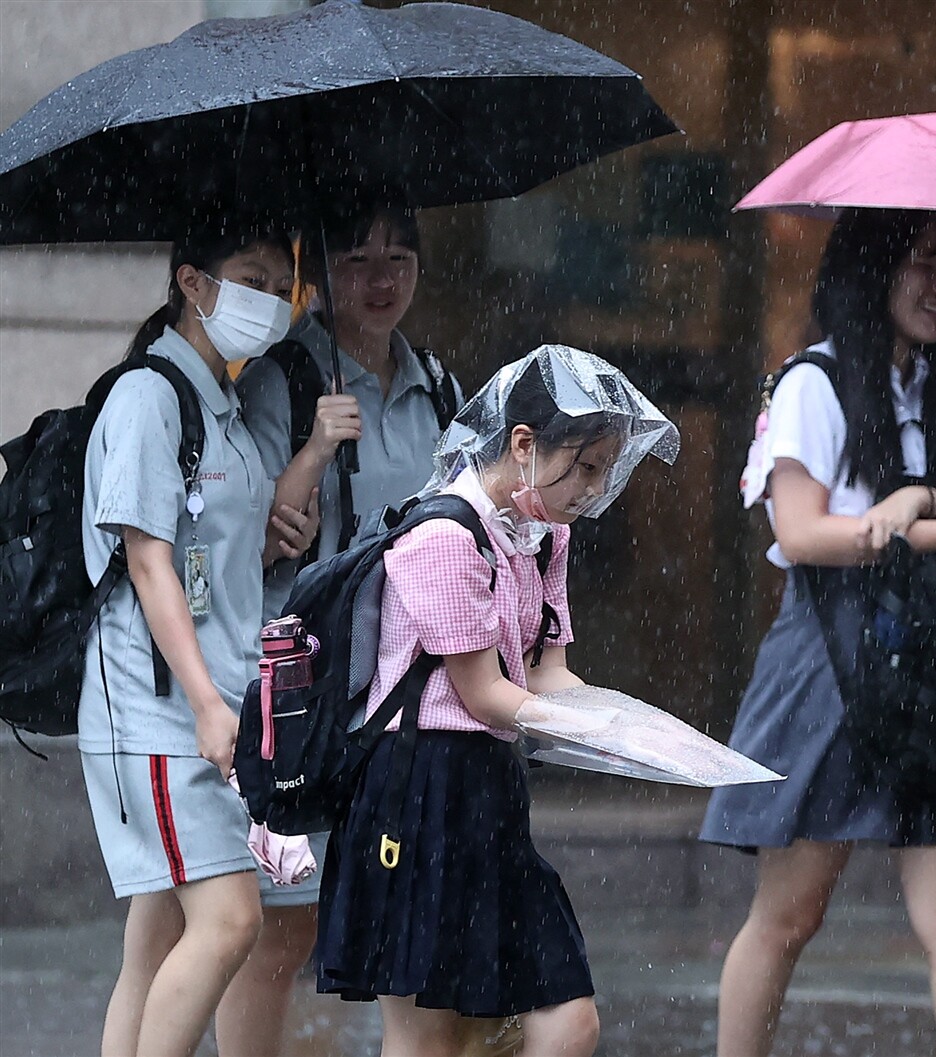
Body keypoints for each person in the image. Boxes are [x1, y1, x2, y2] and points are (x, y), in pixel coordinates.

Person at [700, 207, 936, 1057]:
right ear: (871, 269)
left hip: (926, 659)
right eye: (922, 264)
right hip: (834, 659)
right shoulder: (815, 380)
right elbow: (802, 532)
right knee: (790, 911)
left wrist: (918, 503)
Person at [315, 345, 677, 1057]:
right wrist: (598, 728)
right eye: (588, 466)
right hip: (416, 787)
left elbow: (545, 674)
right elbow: (482, 694)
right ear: (523, 443)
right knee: (427, 1037)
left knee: (568, 1021)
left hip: (491, 789)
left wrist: (633, 726)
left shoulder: (546, 537)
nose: (595, 490)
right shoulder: (443, 534)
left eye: (606, 469)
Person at [226, 201, 462, 1055]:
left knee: (402, 919)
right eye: (358, 258)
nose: (380, 279)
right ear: (319, 274)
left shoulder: (439, 385)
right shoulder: (283, 380)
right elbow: (245, 544)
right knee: (279, 930)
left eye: (399, 257)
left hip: (403, 697)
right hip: (305, 694)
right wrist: (316, 451)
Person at [78, 220, 313, 1057]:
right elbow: (147, 562)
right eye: (248, 278)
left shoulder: (231, 408)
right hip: (162, 713)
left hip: (216, 708)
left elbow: (219, 554)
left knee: (153, 944)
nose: (267, 298)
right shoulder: (148, 397)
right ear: (193, 284)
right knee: (230, 920)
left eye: (277, 280)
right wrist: (211, 706)